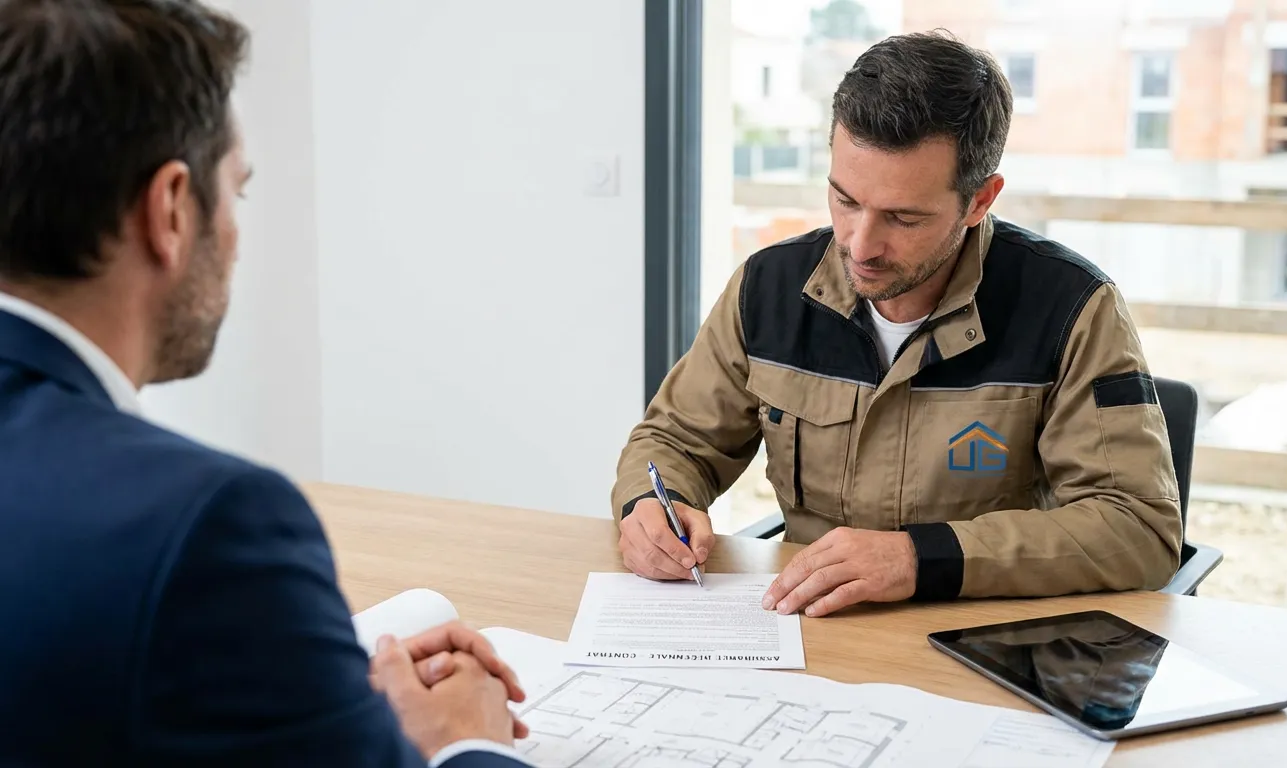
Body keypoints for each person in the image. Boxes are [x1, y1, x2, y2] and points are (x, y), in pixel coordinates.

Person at [0, 2, 531, 766]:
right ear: (172, 209)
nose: (239, 238)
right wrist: (463, 741)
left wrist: (311, 692)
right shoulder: (210, 525)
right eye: (238, 192)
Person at [612, 31, 1182, 618]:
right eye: (844, 200)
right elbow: (674, 441)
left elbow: (1137, 526)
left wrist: (919, 558)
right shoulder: (767, 289)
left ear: (980, 201)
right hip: (807, 633)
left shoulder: (1072, 309)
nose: (860, 246)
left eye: (903, 218)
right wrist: (650, 506)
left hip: (977, 640)